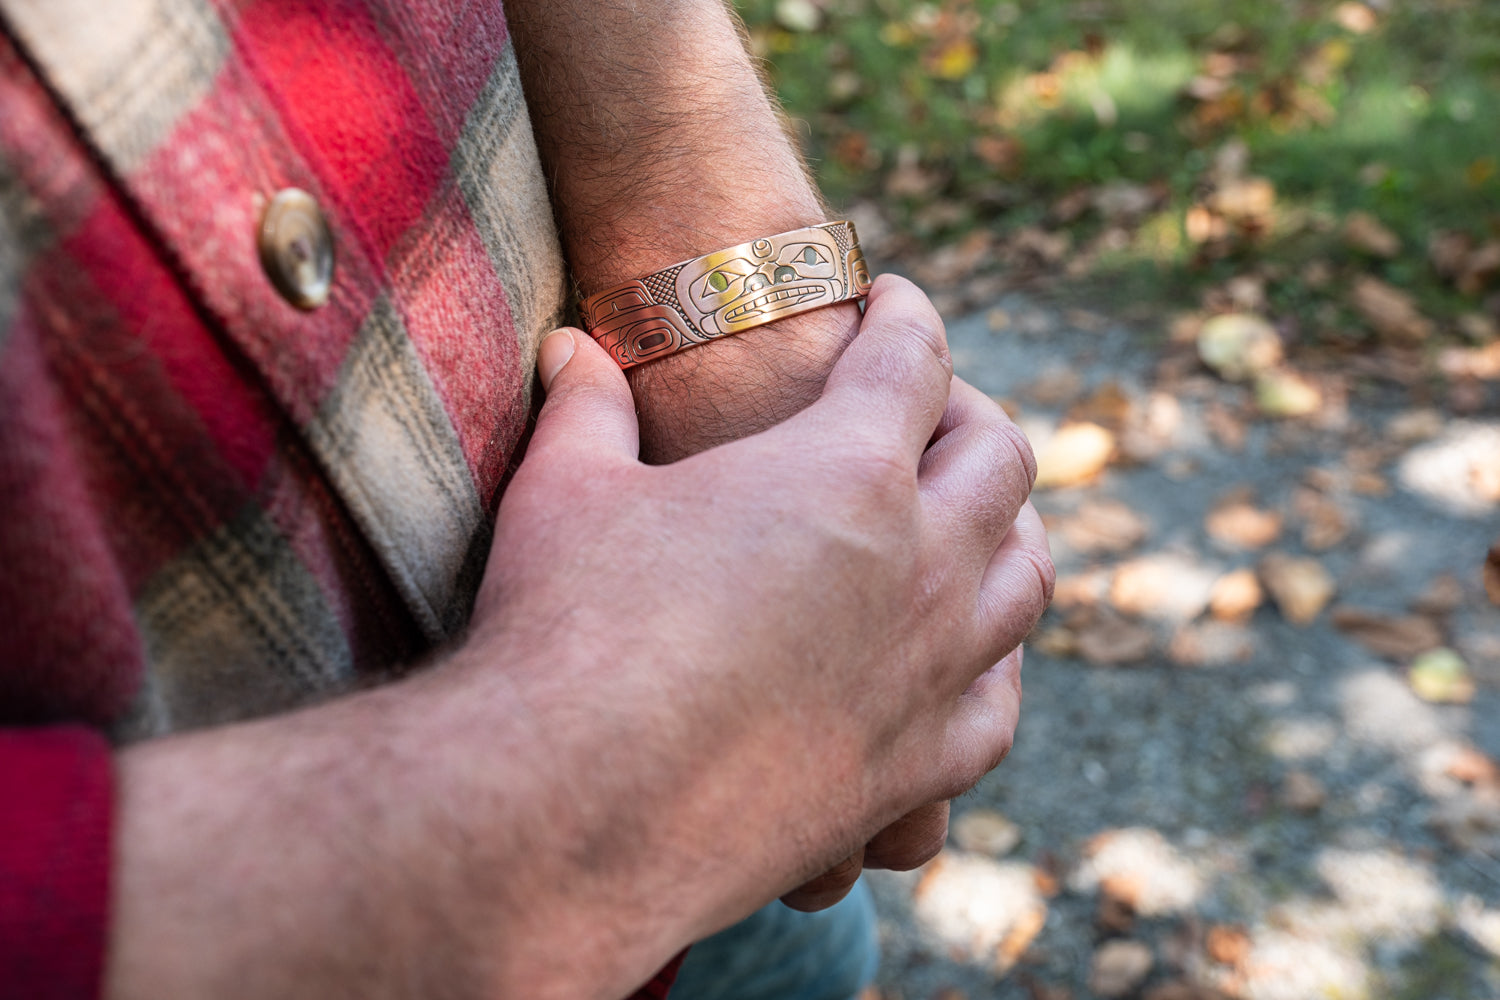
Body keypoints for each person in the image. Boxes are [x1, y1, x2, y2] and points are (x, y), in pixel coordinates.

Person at [0, 1, 1054, 998]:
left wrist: (700, 215)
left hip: (716, 576)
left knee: (806, 964)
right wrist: (591, 780)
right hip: (363, 890)